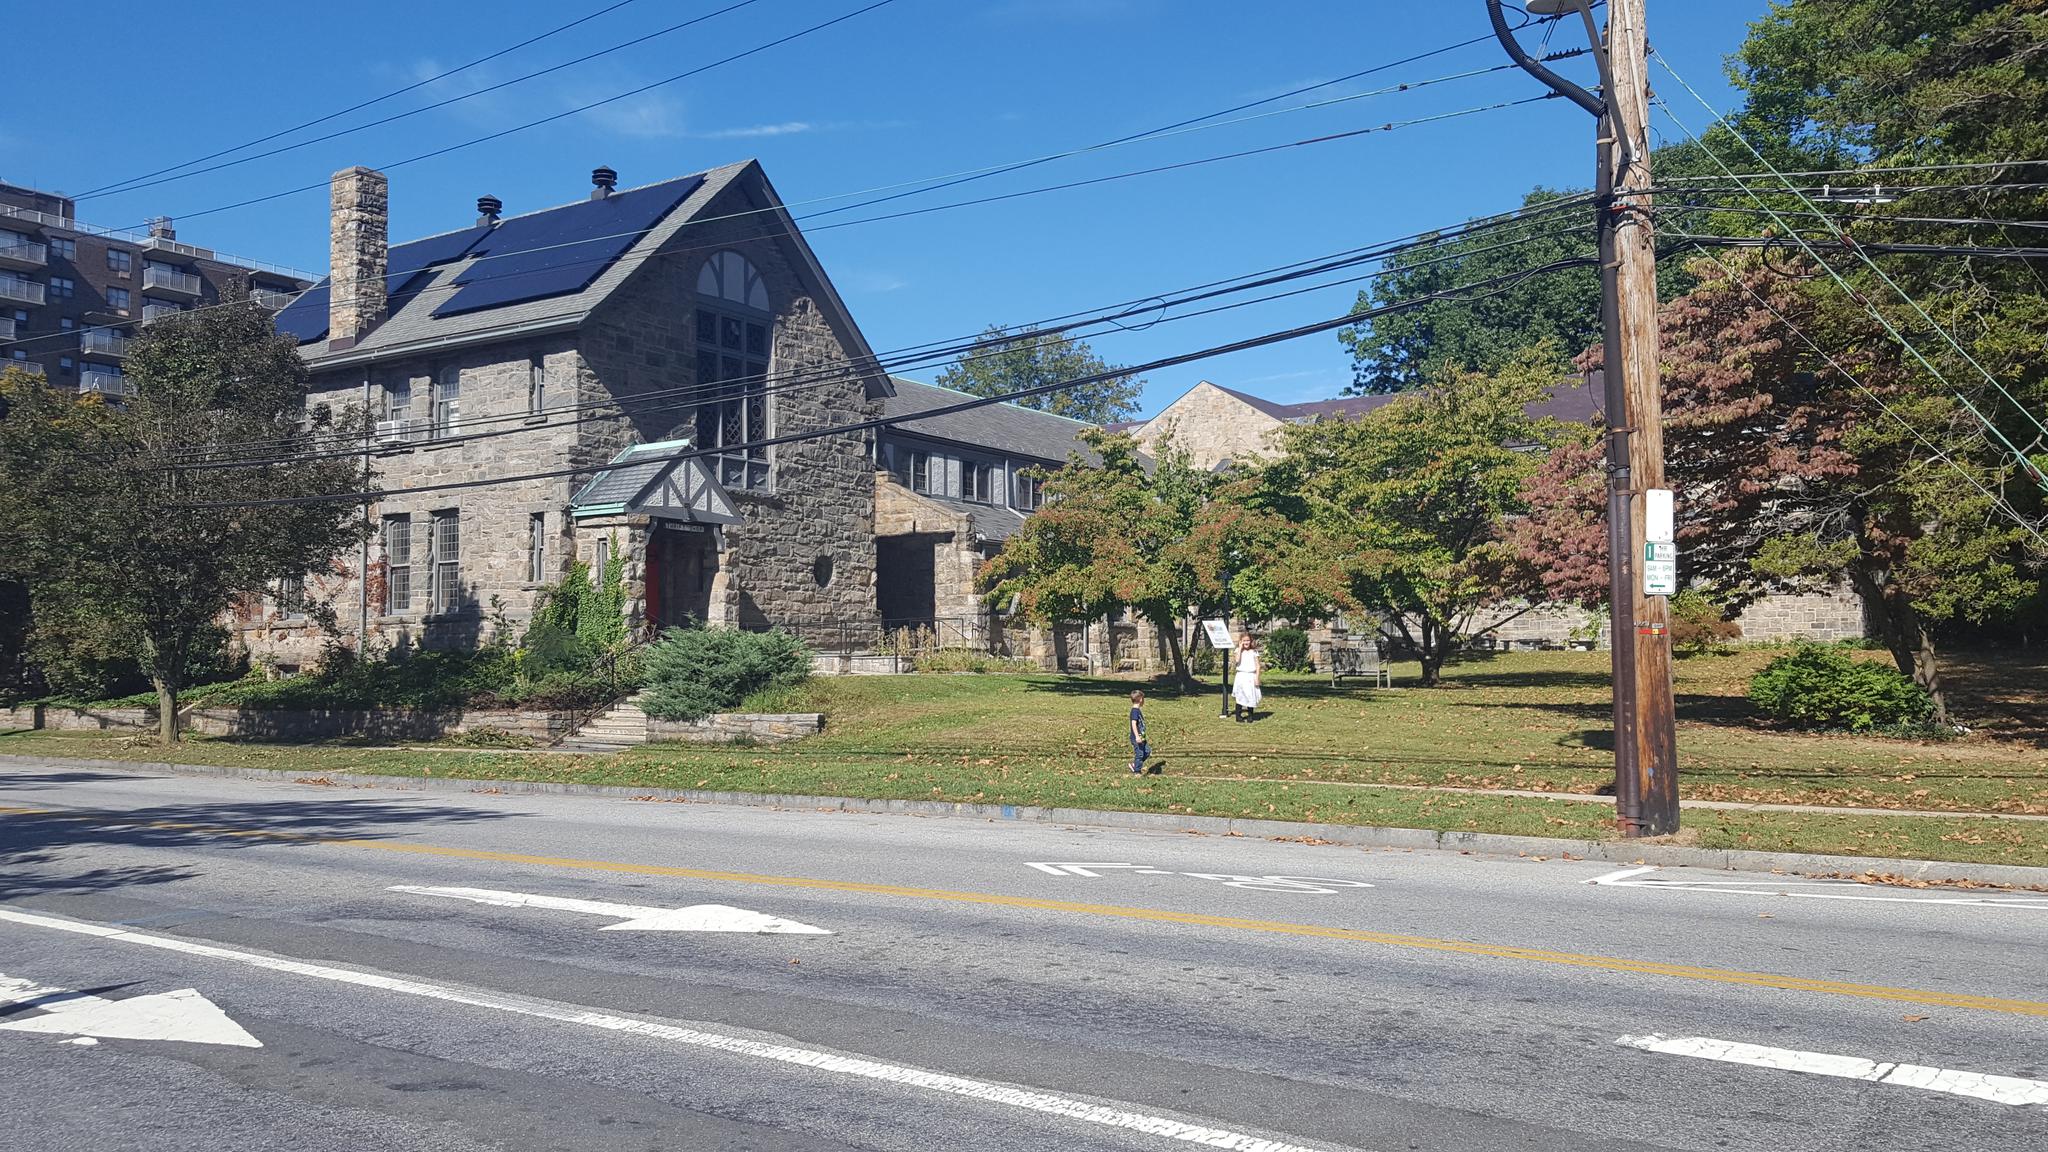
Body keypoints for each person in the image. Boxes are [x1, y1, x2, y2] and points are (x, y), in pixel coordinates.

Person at [1231, 633, 1262, 722]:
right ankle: (1238, 715)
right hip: (1241, 675)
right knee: (1240, 695)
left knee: (1250, 695)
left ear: (1250, 641)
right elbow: (1237, 660)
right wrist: (1240, 648)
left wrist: (1257, 677)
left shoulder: (1254, 652)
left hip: (1250, 675)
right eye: (1244, 641)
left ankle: (1250, 715)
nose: (1246, 642)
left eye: (1248, 640)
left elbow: (1257, 666)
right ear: (1241, 641)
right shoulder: (1238, 650)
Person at [1128, 689, 1149, 774]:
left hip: (1142, 737)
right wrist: (1137, 736)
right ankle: (1137, 771)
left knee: (1147, 751)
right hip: (1137, 738)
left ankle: (1135, 765)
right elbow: (1133, 724)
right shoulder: (1134, 711)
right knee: (1139, 754)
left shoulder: (1138, 710)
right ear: (1140, 699)